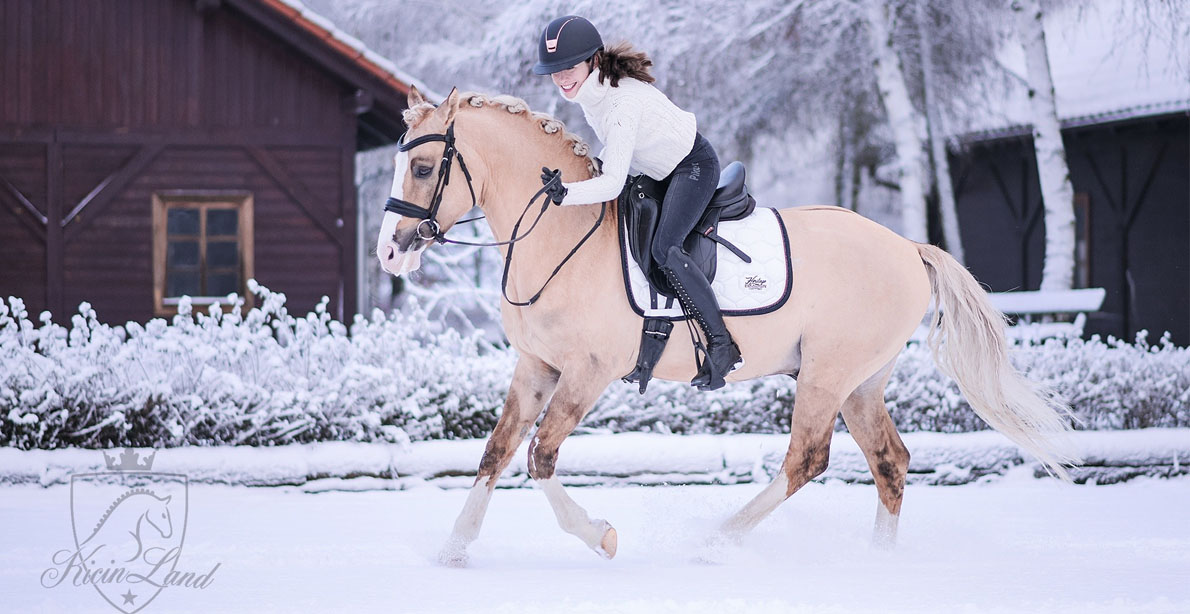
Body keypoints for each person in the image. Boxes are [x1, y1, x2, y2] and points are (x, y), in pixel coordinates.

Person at [533, 15, 741, 391]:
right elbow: (615, 150)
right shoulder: (590, 92)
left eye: (568, 67)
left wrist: (568, 194)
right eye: (554, 71)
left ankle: (723, 345)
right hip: (655, 168)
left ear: (593, 61)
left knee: (665, 248)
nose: (562, 78)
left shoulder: (620, 103)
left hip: (692, 166)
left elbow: (612, 183)